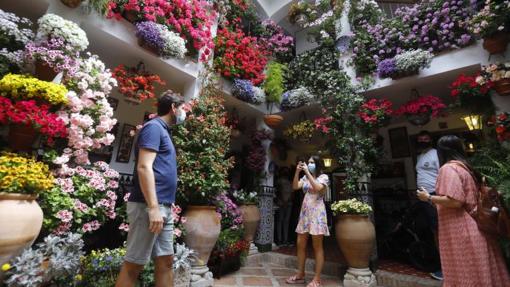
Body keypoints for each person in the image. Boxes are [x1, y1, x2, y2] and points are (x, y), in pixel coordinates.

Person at [417, 135, 510, 287]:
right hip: (475, 225)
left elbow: (455, 201)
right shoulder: (466, 167)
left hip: (461, 229)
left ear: (441, 151)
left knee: (466, 273)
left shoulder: (448, 168)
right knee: (481, 271)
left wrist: (428, 198)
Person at [116, 91, 186, 287]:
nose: (184, 114)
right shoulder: (153, 128)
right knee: (134, 265)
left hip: (163, 206)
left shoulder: (164, 131)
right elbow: (144, 166)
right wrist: (153, 207)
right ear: (173, 107)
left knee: (165, 261)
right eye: (183, 108)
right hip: (148, 207)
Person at [286, 156, 329, 287]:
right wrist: (298, 172)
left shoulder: (323, 177)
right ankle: (300, 274)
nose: (309, 164)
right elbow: (294, 186)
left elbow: (317, 188)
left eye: (312, 162)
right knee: (300, 244)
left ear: (317, 164)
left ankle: (317, 279)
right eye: (308, 162)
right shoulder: (305, 177)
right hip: (305, 214)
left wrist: (307, 173)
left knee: (317, 247)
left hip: (317, 214)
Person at [414, 130, 442, 280]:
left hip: (434, 195)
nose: (422, 141)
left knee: (438, 231)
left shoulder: (436, 154)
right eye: (420, 139)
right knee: (430, 230)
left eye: (425, 139)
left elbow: (442, 173)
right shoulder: (420, 156)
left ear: (431, 140)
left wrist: (437, 196)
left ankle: (445, 268)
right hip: (423, 197)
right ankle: (437, 262)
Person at [275, 167, 293, 246]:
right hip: (281, 203)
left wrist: (288, 200)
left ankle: (285, 240)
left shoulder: (290, 182)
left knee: (286, 222)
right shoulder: (278, 181)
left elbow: (292, 193)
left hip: (289, 203)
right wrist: (282, 200)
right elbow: (277, 191)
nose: (286, 173)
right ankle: (279, 240)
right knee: (280, 221)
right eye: (284, 171)